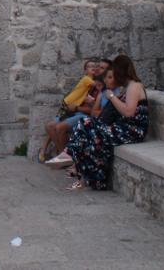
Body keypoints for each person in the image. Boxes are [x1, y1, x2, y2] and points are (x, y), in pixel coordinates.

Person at [63, 54, 149, 191]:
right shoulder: (127, 87)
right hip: (122, 128)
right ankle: (92, 176)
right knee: (87, 128)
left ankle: (70, 155)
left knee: (87, 125)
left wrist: (112, 97)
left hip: (131, 131)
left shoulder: (134, 86)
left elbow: (129, 112)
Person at [42, 59, 109, 165]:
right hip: (74, 110)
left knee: (59, 127)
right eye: (95, 67)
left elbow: (95, 111)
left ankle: (64, 157)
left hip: (84, 114)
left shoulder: (102, 87)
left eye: (100, 67)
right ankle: (63, 155)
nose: (96, 69)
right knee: (49, 126)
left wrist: (78, 108)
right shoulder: (91, 82)